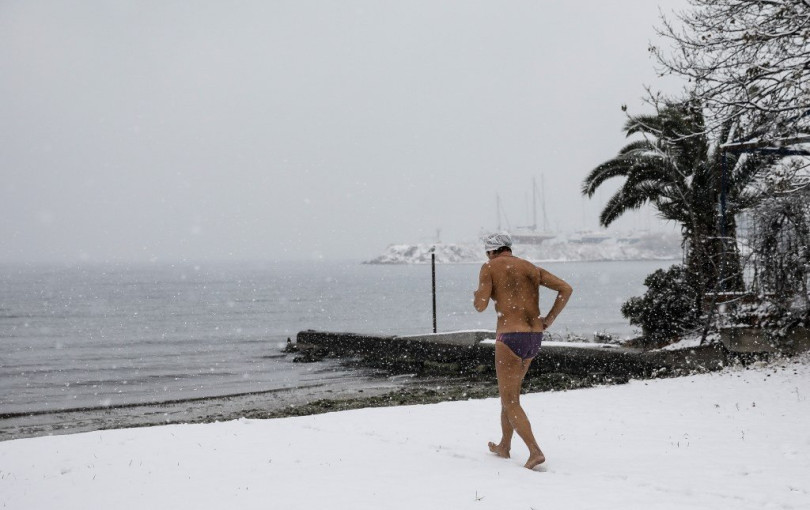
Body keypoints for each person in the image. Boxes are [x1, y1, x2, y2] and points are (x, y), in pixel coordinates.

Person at [473, 232, 573, 470]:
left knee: (510, 400)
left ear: (491, 251)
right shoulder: (530, 267)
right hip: (534, 336)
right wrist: (548, 319)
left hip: (509, 336)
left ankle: (535, 451)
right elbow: (566, 289)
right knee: (510, 396)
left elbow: (480, 305)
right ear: (508, 248)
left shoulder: (489, 267)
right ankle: (504, 445)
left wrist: (477, 294)